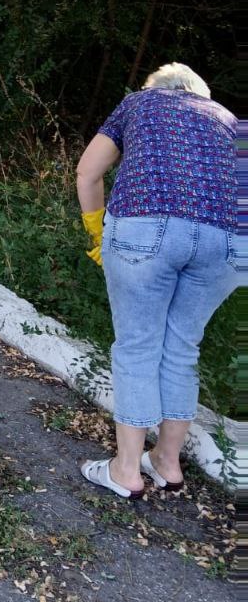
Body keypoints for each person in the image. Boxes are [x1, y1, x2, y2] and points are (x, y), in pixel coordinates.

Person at [76, 62, 237, 499]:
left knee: (138, 344)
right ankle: (166, 462)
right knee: (181, 347)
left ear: (157, 89)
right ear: (200, 95)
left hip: (148, 227)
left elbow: (88, 173)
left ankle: (126, 469)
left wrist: (96, 232)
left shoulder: (138, 104)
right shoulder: (227, 120)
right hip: (228, 242)